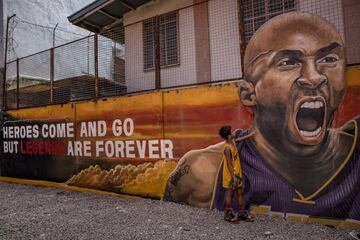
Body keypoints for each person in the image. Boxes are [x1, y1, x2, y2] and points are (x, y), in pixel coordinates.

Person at [163, 12, 360, 221]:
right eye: (289, 62)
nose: (314, 77)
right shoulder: (202, 171)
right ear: (249, 94)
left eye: (329, 59)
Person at [219, 125, 253, 223]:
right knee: (230, 193)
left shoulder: (232, 142)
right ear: (229, 136)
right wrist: (233, 177)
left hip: (237, 173)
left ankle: (241, 212)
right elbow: (229, 164)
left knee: (239, 192)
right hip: (231, 175)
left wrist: (250, 135)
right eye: (232, 132)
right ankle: (227, 213)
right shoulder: (227, 149)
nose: (234, 133)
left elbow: (238, 139)